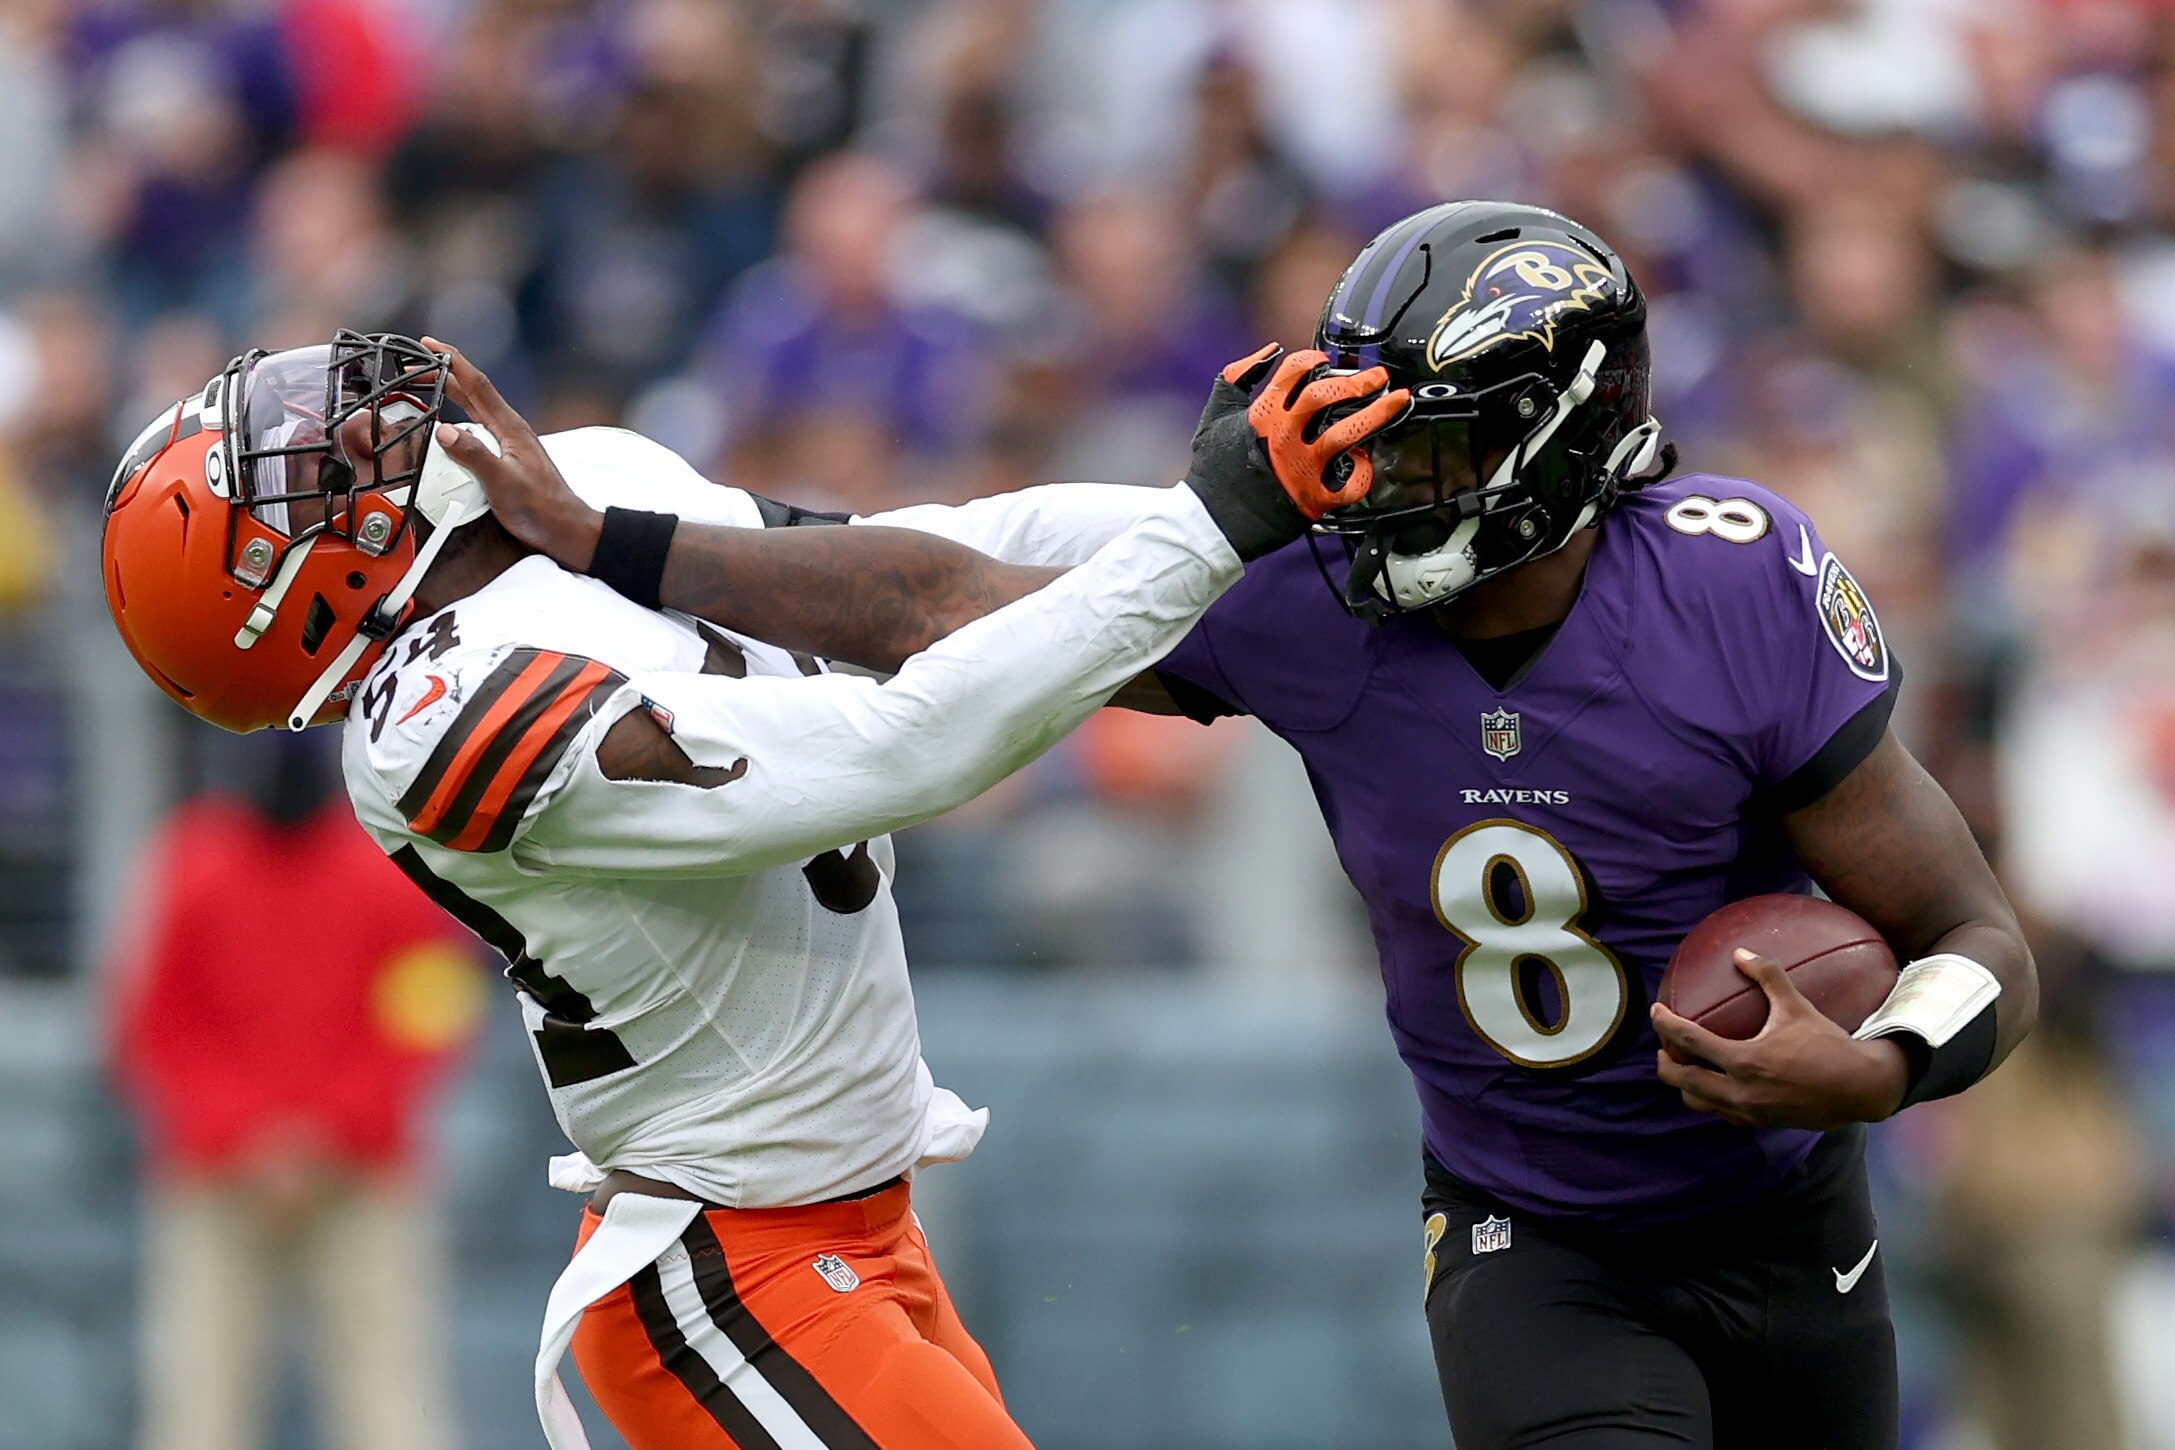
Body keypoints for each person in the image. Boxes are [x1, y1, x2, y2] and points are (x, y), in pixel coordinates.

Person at [536, 201, 2040, 1450]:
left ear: (1558, 443)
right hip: (1535, 1235)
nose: (1372, 484)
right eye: (1365, 436)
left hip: (1783, 1221)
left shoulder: (1729, 586)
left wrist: (1872, 1061)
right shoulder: (1300, 598)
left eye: (1426, 451)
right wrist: (608, 540)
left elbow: (1972, 934)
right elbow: (936, 599)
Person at [98, 327, 1405, 1450]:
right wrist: (1205, 528)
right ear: (279, 600)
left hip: (849, 1229)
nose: (337, 426)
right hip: (725, 1271)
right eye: (288, 475)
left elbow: (924, 566)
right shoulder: (438, 721)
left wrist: (1298, 525)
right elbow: (906, 744)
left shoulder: (581, 483)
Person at [107, 728, 477, 1450]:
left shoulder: (377, 870)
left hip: (348, 1176)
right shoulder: (194, 863)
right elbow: (153, 1020)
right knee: (201, 1406)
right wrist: (268, 1134)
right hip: (232, 1175)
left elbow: (430, 1016)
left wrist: (307, 1133)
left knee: (387, 1404)